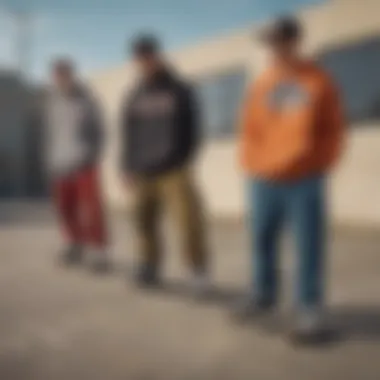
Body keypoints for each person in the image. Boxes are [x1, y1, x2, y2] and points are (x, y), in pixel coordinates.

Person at [236, 17, 345, 344]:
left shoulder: (319, 80)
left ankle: (309, 309)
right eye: (270, 43)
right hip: (263, 179)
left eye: (279, 41)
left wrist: (317, 164)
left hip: (304, 179)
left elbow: (333, 129)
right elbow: (250, 129)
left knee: (308, 245)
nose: (274, 48)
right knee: (261, 241)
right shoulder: (262, 83)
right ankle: (263, 295)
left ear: (295, 41)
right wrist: (253, 165)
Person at [120, 35, 208, 294]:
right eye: (139, 57)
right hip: (143, 171)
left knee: (188, 221)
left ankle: (197, 271)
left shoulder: (180, 89)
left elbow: (194, 128)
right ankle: (149, 265)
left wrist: (183, 159)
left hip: (174, 169)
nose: (144, 61)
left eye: (148, 55)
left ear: (157, 56)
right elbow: (128, 133)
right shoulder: (134, 95)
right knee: (142, 220)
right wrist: (126, 166)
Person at [44, 59, 110, 272]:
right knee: (65, 208)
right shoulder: (52, 102)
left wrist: (92, 155)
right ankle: (74, 244)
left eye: (65, 74)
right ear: (54, 77)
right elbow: (51, 133)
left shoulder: (87, 100)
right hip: (60, 165)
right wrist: (51, 159)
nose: (61, 78)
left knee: (91, 209)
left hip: (84, 164)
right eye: (57, 75)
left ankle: (99, 251)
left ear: (72, 75)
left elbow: (100, 131)